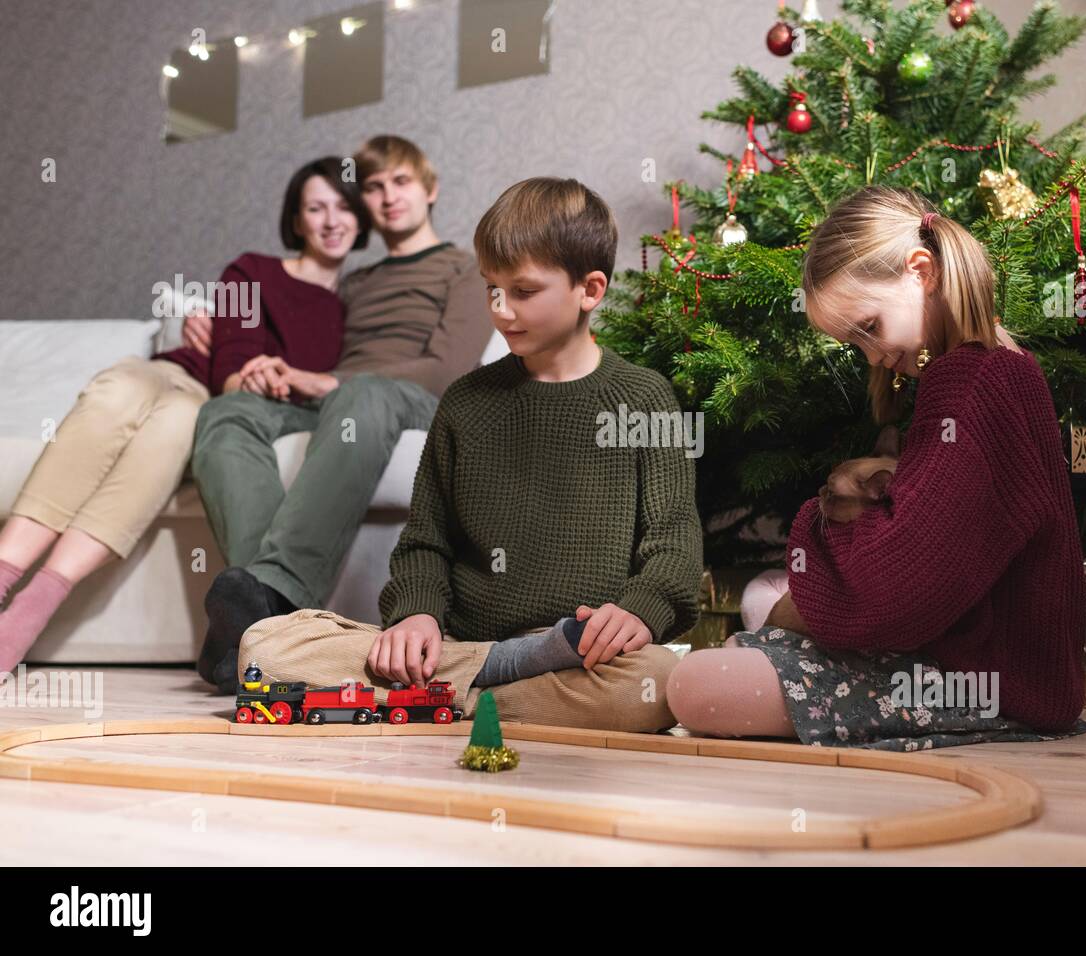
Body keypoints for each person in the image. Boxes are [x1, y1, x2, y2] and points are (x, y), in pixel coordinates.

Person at [232, 177, 702, 733]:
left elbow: (674, 543)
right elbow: (425, 543)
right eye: (491, 289)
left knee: (651, 688)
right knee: (266, 646)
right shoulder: (466, 401)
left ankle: (448, 699)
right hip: (463, 643)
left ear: (590, 290)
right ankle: (501, 674)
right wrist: (417, 616)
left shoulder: (644, 399)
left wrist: (640, 610)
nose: (502, 310)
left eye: (524, 291)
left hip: (588, 655)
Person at [667, 185, 1086, 750]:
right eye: (853, 343)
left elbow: (899, 588)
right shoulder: (988, 371)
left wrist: (826, 521)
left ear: (922, 271)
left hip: (995, 682)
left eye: (868, 326)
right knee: (737, 658)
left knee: (701, 685)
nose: (871, 356)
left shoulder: (974, 382)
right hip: (984, 665)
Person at [0, 157, 366, 674]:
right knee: (116, 392)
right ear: (297, 219)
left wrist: (277, 382)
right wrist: (251, 372)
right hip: (181, 376)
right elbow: (236, 361)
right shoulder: (253, 269)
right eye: (315, 207)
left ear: (359, 214)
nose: (331, 220)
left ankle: (31, 608)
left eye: (342, 206)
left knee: (174, 429)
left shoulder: (357, 306)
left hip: (210, 405)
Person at [187, 135, 496, 693]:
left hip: (408, 401)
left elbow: (446, 367)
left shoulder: (465, 268)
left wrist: (334, 382)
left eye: (400, 182)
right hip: (338, 401)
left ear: (430, 190)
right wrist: (211, 330)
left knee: (364, 393)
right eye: (374, 187)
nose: (387, 197)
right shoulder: (356, 281)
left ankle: (271, 604)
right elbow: (296, 325)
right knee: (228, 411)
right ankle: (268, 618)